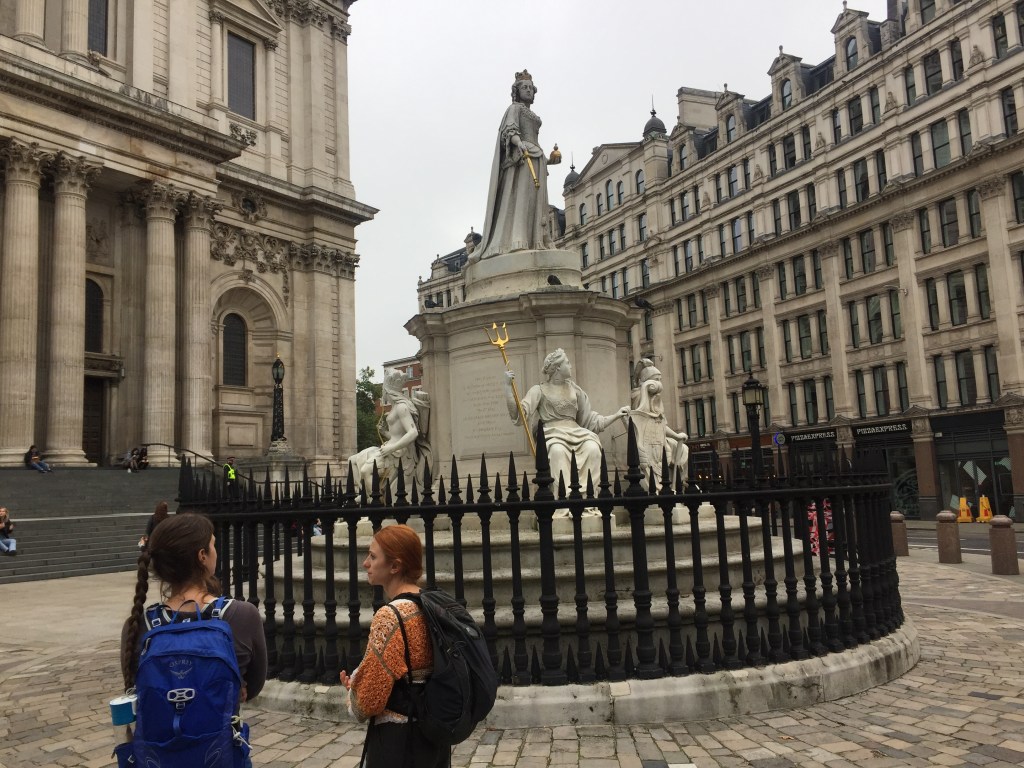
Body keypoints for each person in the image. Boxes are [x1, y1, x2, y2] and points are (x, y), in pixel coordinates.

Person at [120, 513, 267, 754]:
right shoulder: (242, 616)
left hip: (158, 756)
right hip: (217, 753)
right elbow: (254, 686)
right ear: (202, 557)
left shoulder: (138, 624)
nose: (215, 552)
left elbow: (136, 690)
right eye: (213, 545)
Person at [340, 524, 447, 768]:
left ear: (395, 566)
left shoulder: (390, 616)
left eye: (373, 556)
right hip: (432, 734)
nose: (366, 563)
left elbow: (369, 701)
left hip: (399, 741)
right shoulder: (428, 603)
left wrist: (352, 694)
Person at [505, 348, 629, 493]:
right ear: (558, 367)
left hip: (577, 433)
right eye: (567, 363)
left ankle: (588, 500)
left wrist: (616, 415)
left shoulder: (575, 390)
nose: (570, 366)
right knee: (557, 451)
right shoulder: (538, 390)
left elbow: (591, 421)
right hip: (553, 435)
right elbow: (520, 415)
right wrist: (508, 387)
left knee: (593, 448)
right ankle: (564, 501)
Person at [470, 69, 561, 263]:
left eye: (531, 88)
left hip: (536, 157)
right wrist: (519, 144)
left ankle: (538, 239)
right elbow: (510, 129)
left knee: (536, 201)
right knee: (521, 197)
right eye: (524, 87)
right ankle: (517, 240)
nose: (528, 91)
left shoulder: (532, 113)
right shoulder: (514, 109)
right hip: (522, 157)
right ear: (517, 91)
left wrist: (550, 160)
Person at [348, 368, 432, 498]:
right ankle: (367, 493)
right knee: (352, 461)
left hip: (398, 453)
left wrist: (391, 448)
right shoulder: (395, 407)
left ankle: (376, 501)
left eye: (383, 390)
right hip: (389, 448)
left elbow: (413, 432)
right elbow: (396, 436)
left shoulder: (401, 407)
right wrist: (384, 432)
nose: (382, 393)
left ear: (387, 391)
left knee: (366, 471)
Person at [630, 359, 689, 488]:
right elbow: (641, 418)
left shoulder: (656, 399)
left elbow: (661, 425)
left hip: (659, 439)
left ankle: (678, 485)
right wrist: (645, 389)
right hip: (646, 440)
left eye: (659, 379)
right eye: (656, 379)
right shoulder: (638, 395)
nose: (659, 383)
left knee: (684, 449)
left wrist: (676, 436)